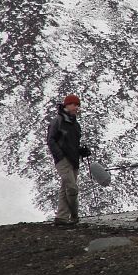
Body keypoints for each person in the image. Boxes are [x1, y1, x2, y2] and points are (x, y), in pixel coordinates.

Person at [47, 94, 91, 227]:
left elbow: (73, 144)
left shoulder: (75, 124)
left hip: (74, 160)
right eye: (74, 104)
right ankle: (74, 216)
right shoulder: (58, 121)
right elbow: (50, 140)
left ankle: (61, 218)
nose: (77, 107)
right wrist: (59, 156)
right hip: (64, 160)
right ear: (67, 105)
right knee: (71, 188)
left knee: (65, 188)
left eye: (78, 105)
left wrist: (81, 151)